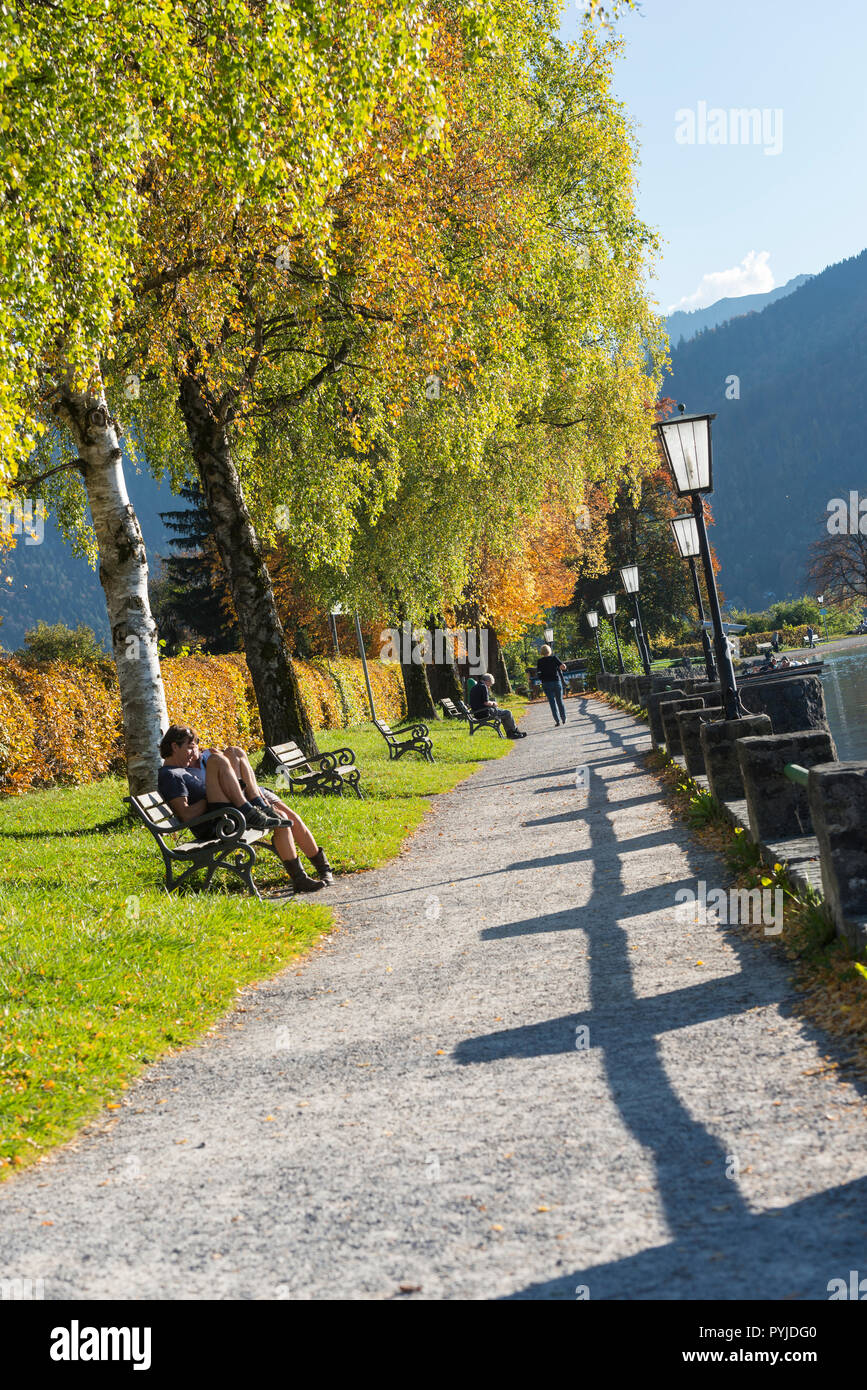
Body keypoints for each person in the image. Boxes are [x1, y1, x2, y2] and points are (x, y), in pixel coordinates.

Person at [157, 725, 332, 893]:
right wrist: (208, 797)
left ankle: (299, 878)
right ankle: (250, 809)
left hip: (224, 813)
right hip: (215, 824)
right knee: (216, 761)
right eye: (190, 748)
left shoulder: (184, 770)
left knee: (280, 818)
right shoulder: (170, 775)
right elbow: (187, 816)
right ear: (174, 746)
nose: (193, 754)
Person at [536, 643, 567, 726]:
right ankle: (563, 718)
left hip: (546, 683)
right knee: (559, 701)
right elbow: (563, 667)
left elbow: (539, 674)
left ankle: (557, 721)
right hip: (556, 682)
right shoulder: (554, 658)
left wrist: (542, 679)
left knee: (552, 702)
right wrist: (563, 666)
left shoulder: (539, 661)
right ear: (549, 651)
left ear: (541, 652)